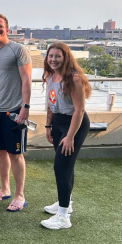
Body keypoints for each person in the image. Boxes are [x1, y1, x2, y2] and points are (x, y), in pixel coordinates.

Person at [0, 13, 32, 212]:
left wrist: (25, 108)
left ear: (7, 28)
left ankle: (20, 195)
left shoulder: (18, 50)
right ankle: (5, 190)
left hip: (14, 110)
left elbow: (26, 79)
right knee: (1, 152)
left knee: (15, 153)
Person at [41, 42, 91, 230]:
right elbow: (50, 102)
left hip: (73, 124)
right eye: (50, 56)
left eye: (57, 56)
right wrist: (47, 125)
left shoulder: (74, 79)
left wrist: (70, 136)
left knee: (61, 167)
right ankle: (66, 203)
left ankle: (63, 217)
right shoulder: (51, 75)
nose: (53, 59)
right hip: (57, 122)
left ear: (66, 57)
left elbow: (79, 111)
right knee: (65, 167)